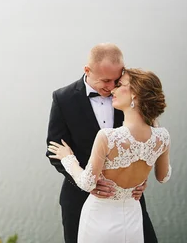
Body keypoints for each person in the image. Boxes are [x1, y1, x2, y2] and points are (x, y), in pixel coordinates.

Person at [45, 43, 158, 243]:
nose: (111, 87)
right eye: (105, 80)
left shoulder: (128, 96)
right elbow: (54, 151)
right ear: (87, 70)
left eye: (116, 80)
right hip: (79, 200)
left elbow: (145, 140)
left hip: (128, 199)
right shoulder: (63, 98)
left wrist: (141, 178)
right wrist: (87, 184)